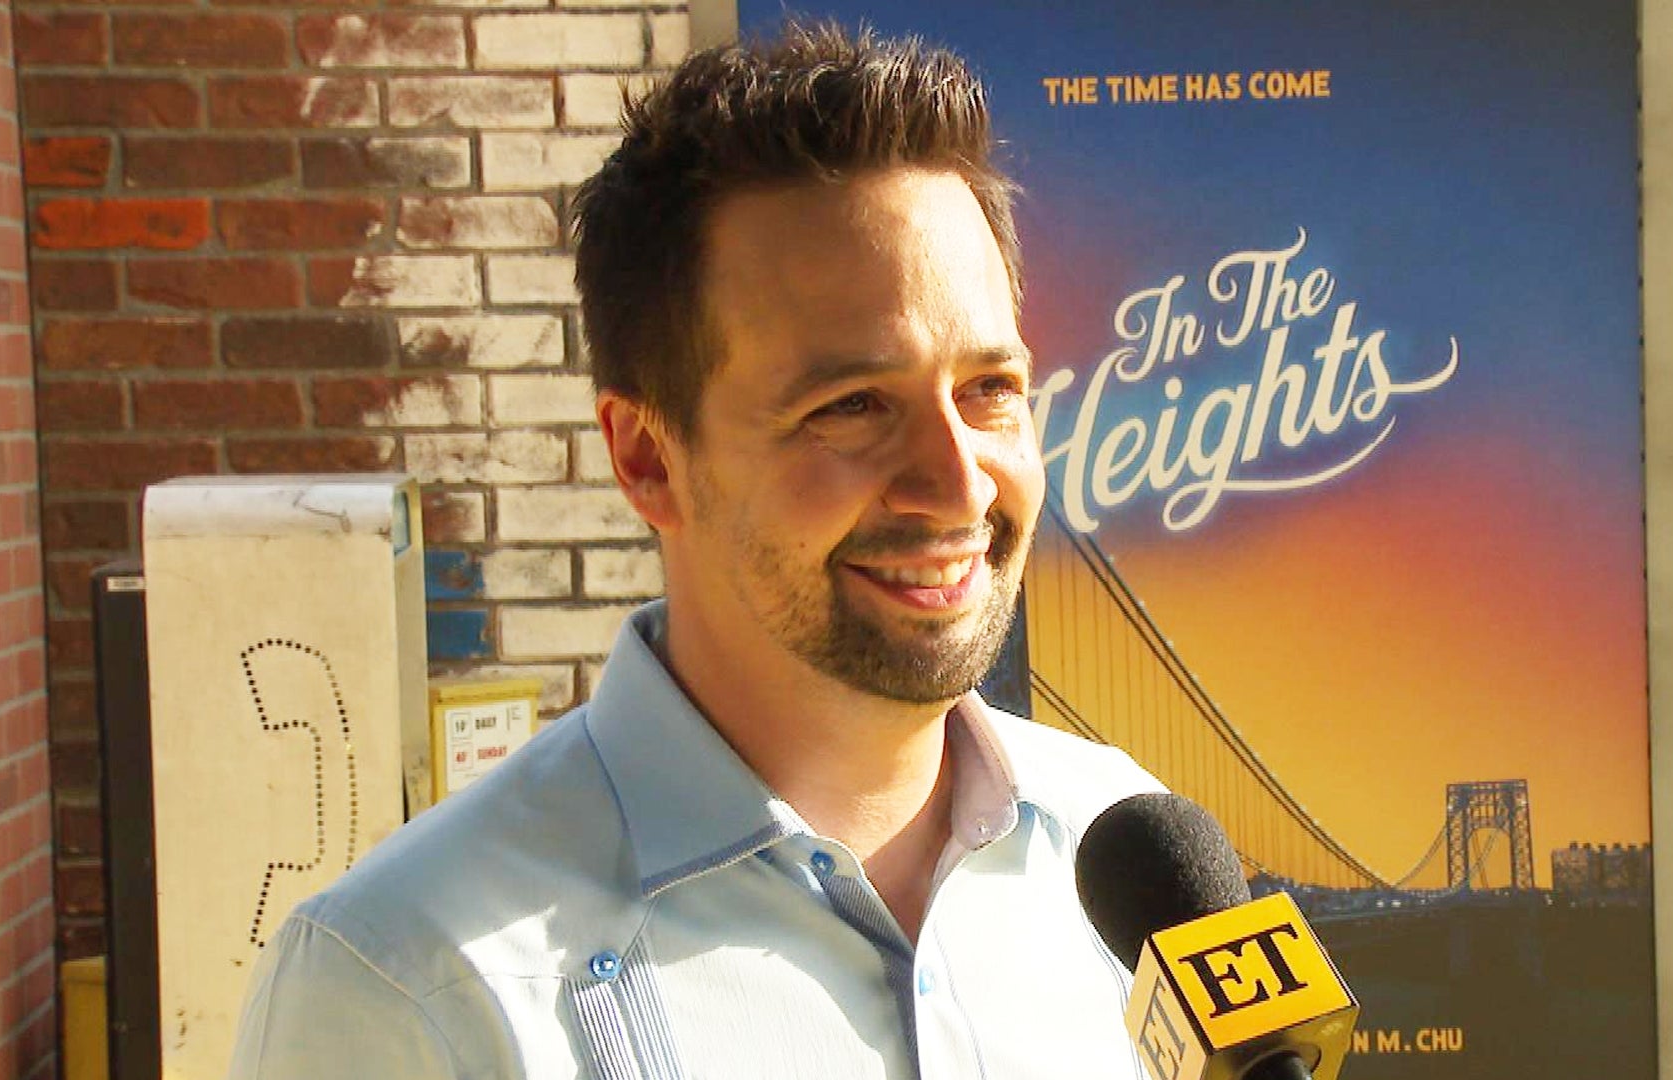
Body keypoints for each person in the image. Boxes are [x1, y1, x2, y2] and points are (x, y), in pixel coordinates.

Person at [229, 20, 1163, 1079]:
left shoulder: (1133, 866)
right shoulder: (402, 985)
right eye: (852, 405)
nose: (959, 484)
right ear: (647, 459)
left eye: (990, 390)